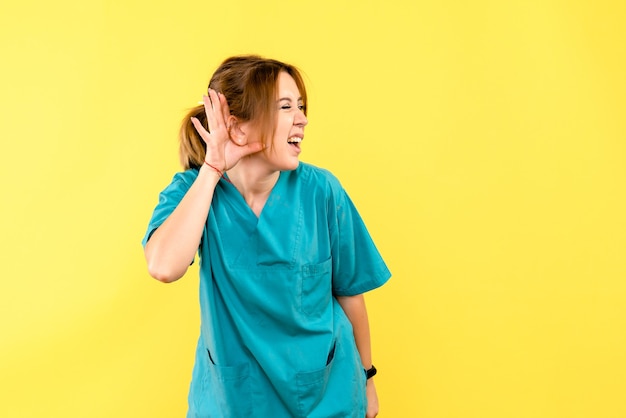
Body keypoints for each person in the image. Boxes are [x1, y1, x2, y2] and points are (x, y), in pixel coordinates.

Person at [142, 55, 391, 418]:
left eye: (301, 106)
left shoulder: (322, 191)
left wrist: (368, 379)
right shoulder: (193, 192)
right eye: (286, 106)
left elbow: (350, 293)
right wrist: (212, 168)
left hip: (327, 397)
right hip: (234, 400)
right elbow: (163, 266)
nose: (302, 119)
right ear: (236, 128)